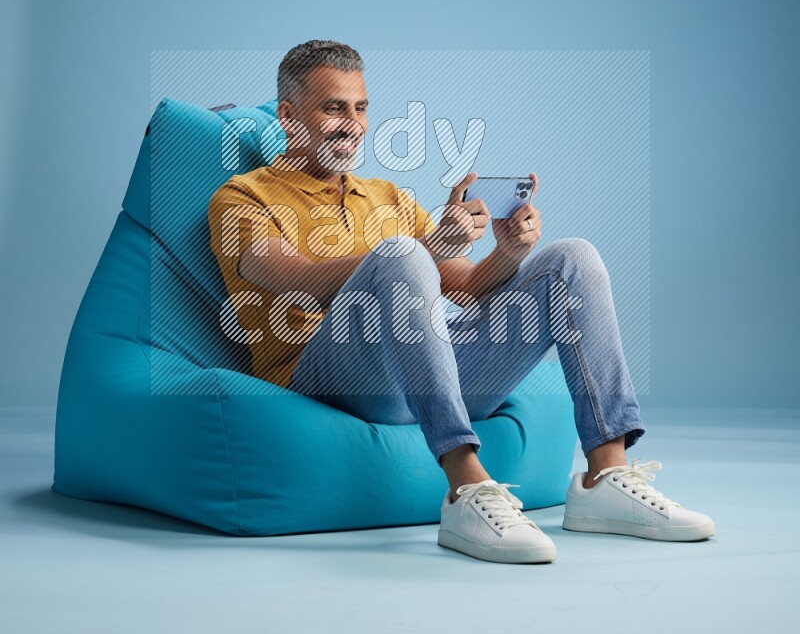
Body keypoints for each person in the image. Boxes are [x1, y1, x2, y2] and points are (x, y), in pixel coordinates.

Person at [208, 39, 715, 564]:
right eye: (333, 107)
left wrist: (508, 251)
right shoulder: (243, 198)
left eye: (361, 107)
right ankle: (465, 487)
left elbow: (468, 288)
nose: (353, 123)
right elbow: (297, 277)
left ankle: (605, 475)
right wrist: (424, 250)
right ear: (289, 116)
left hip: (424, 376)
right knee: (402, 253)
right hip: (330, 379)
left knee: (572, 259)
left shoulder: (388, 197)